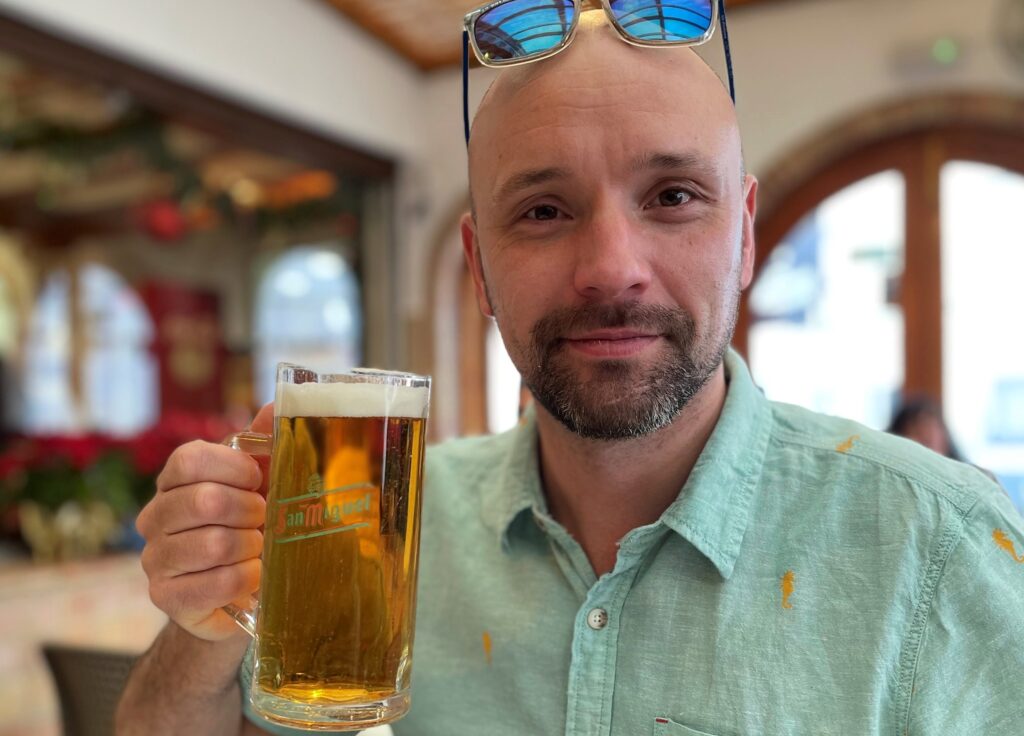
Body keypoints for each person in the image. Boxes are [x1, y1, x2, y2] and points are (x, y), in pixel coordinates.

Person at [116, 10, 1024, 735]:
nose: (610, 266)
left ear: (745, 234)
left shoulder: (937, 547)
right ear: (478, 268)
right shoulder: (376, 531)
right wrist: (203, 624)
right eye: (545, 210)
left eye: (672, 197)